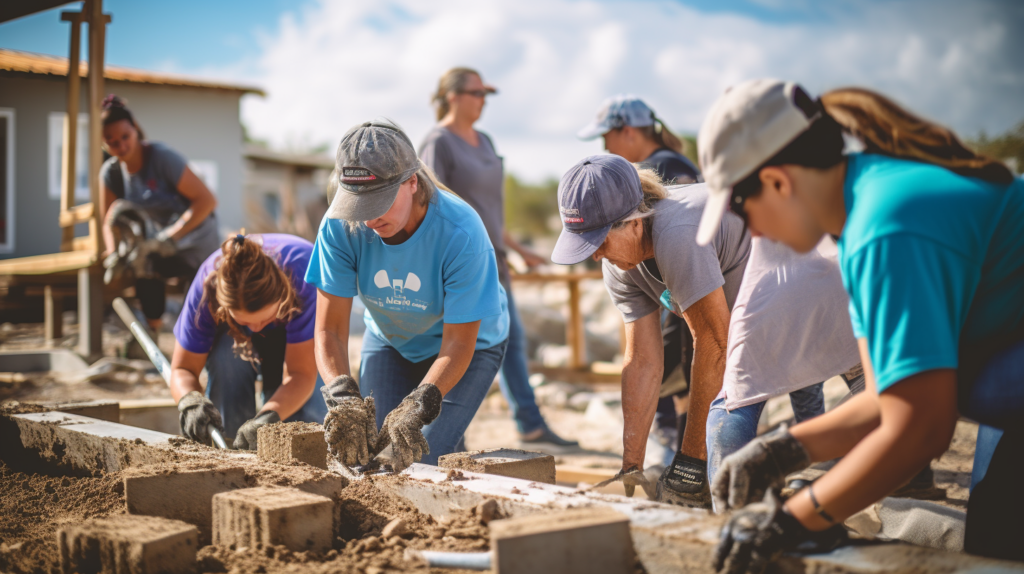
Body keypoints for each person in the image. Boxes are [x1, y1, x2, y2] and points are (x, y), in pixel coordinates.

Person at [697, 80, 1024, 570]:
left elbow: (920, 427)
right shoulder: (859, 222)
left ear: (778, 181)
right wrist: (782, 451)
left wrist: (793, 520)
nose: (754, 232)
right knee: (994, 542)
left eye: (742, 209)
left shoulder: (886, 226)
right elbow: (882, 396)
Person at [307, 118, 509, 473]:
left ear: (412, 182)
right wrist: (342, 397)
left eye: (379, 203)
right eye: (359, 205)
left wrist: (421, 402)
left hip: (469, 347)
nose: (368, 219)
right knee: (371, 457)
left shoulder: (460, 231)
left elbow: (458, 343)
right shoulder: (338, 225)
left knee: (418, 459)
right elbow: (329, 331)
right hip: (391, 340)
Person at [551, 154, 751, 507]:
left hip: (811, 284)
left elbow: (715, 345)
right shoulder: (619, 264)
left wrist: (690, 461)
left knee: (726, 444)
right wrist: (631, 464)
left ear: (634, 222)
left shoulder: (677, 233)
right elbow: (642, 360)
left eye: (599, 241)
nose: (595, 255)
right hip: (751, 317)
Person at [419, 67, 577, 449]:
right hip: (460, 267)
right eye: (477, 93)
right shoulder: (437, 143)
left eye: (486, 94)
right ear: (453, 96)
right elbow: (429, 207)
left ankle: (530, 425)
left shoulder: (485, 141)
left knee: (511, 342)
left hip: (496, 262)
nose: (483, 101)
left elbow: (490, 210)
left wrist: (520, 250)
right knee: (455, 348)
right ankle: (448, 436)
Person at [579, 95, 702, 462]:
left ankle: (683, 453)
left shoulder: (663, 169)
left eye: (606, 137)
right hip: (678, 290)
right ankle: (678, 449)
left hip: (692, 284)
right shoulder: (666, 163)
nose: (605, 148)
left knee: (682, 374)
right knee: (674, 375)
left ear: (627, 131)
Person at [706, 235, 865, 490]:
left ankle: (728, 506)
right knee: (867, 380)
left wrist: (783, 453)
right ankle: (914, 473)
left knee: (734, 402)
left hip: (770, 293)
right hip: (839, 280)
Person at [169, 234, 328, 449]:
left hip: (294, 330)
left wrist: (266, 418)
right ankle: (230, 446)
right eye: (247, 321)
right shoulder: (206, 289)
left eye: (264, 319)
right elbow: (182, 368)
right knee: (228, 365)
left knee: (305, 422)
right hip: (234, 338)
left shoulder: (305, 274)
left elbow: (301, 374)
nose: (256, 328)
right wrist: (190, 401)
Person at [99, 95, 220, 332]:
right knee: (144, 264)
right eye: (112, 142)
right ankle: (152, 333)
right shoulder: (111, 174)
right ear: (103, 144)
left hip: (196, 240)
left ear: (135, 128)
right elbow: (108, 221)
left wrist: (171, 237)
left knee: (200, 303)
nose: (121, 146)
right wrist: (114, 252)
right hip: (158, 244)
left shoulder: (163, 158)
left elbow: (207, 201)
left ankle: (199, 345)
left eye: (125, 137)